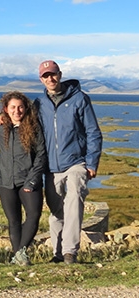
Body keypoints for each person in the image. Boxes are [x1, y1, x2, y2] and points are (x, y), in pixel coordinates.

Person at [36, 60, 102, 264]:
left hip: (76, 162)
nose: (50, 79)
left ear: (60, 74)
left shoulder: (79, 99)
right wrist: (3, 118)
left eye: (53, 74)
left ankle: (70, 252)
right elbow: (25, 125)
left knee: (74, 198)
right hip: (51, 167)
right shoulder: (39, 103)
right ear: (41, 79)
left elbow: (93, 132)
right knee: (56, 211)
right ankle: (57, 253)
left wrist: (91, 163)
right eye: (46, 76)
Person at [0, 91, 47, 266]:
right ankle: (19, 257)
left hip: (28, 180)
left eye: (20, 107)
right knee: (13, 221)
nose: (17, 111)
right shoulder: (1, 129)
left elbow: (41, 155)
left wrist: (32, 179)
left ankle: (20, 253)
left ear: (26, 108)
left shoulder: (34, 127)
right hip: (7, 182)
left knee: (33, 215)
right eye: (13, 107)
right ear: (6, 109)